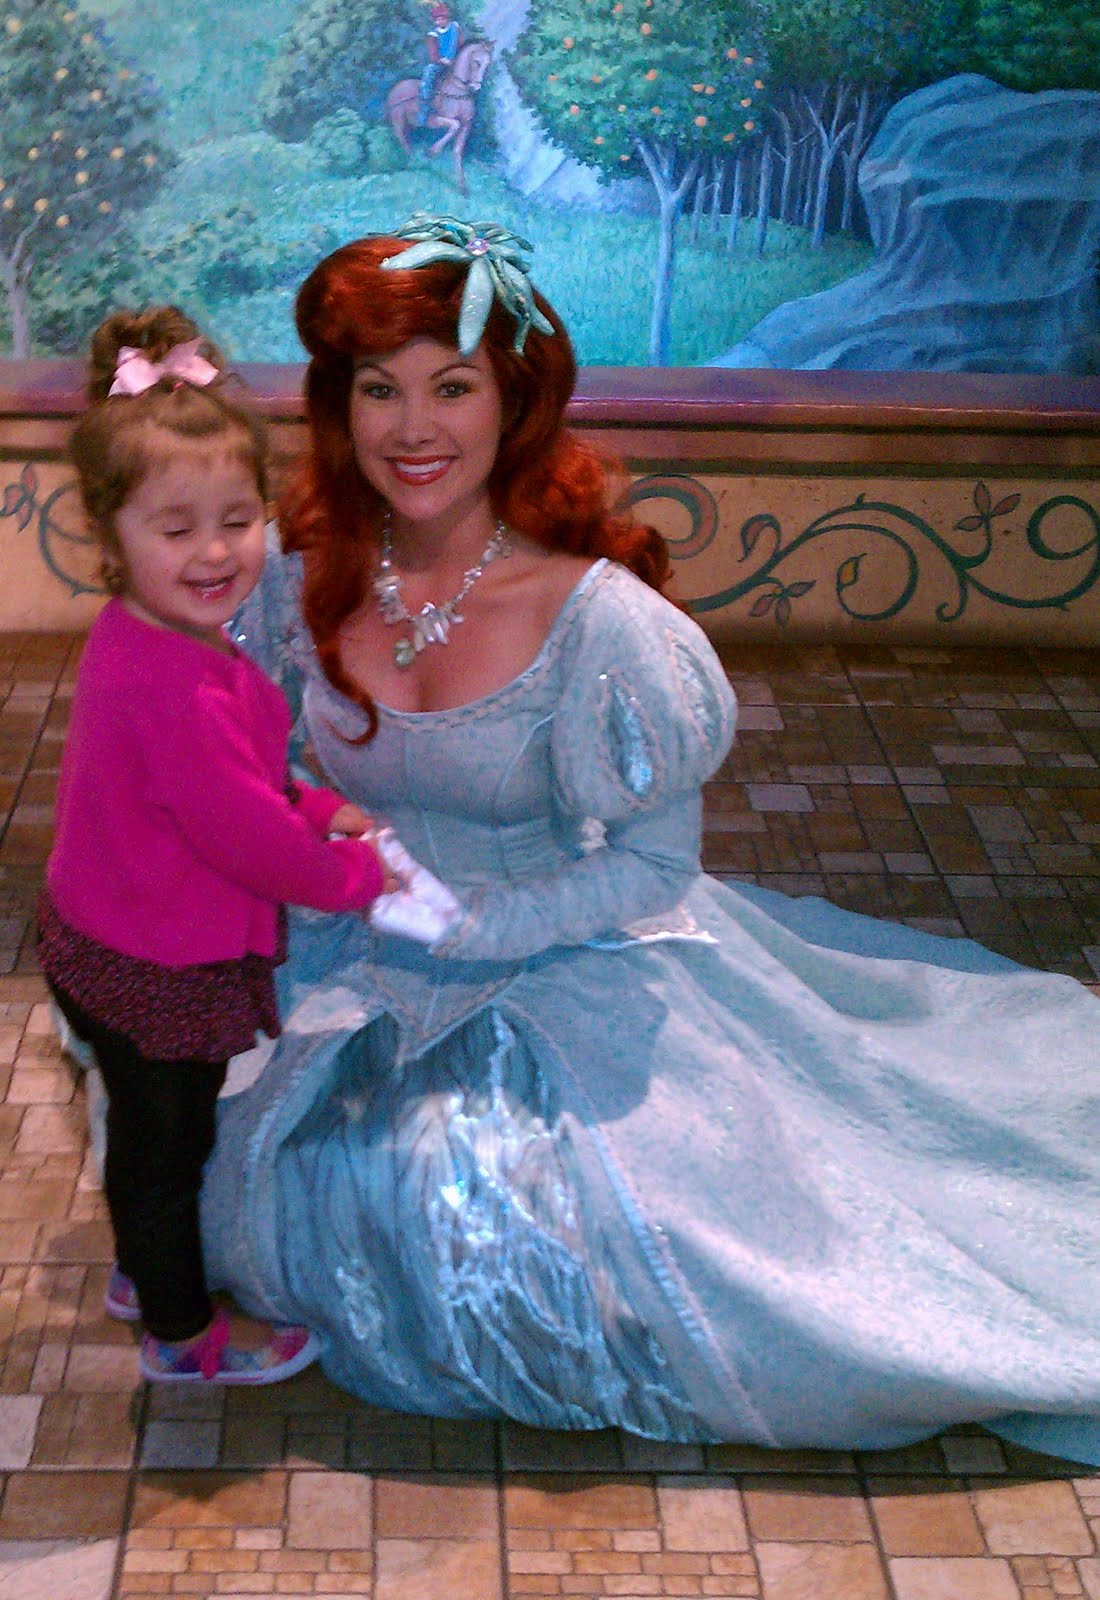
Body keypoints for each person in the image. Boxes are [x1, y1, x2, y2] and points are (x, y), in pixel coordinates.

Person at [204, 213, 1100, 1460]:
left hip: (563, 957)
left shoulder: (601, 623)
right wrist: (304, 858)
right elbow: (240, 773)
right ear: (336, 405)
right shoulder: (294, 581)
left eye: (451, 387)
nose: (413, 428)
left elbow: (650, 866)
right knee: (232, 1155)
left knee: (590, 1233)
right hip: (350, 949)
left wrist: (485, 925)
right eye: (378, 388)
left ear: (513, 402)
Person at [40, 306, 400, 1386]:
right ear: (110, 537)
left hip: (98, 937)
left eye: (238, 520)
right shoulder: (182, 684)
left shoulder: (147, 636)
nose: (214, 551)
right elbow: (250, 844)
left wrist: (312, 802)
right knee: (171, 1152)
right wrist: (361, 871)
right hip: (153, 966)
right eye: (177, 527)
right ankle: (180, 1333)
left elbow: (229, 786)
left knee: (147, 1139)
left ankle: (140, 1272)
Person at [418, 0, 462, 125]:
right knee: (428, 77)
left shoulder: (454, 28)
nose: (440, 21)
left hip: (456, 62)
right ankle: (425, 110)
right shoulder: (433, 35)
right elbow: (433, 54)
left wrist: (455, 59)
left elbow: (460, 44)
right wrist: (443, 60)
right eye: (437, 20)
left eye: (442, 19)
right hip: (440, 64)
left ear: (446, 18)